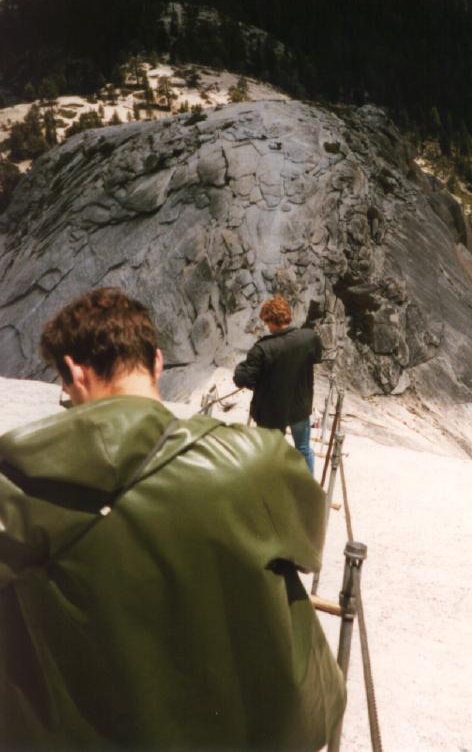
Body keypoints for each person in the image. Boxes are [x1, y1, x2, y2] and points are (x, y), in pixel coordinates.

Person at [0, 287, 345, 751]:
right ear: (158, 363)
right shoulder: (256, 462)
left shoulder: (16, 484)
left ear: (74, 373)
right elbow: (309, 551)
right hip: (251, 732)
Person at [233, 296, 322, 474]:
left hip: (272, 412)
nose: (267, 326)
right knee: (303, 449)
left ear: (271, 320)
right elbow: (316, 357)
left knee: (269, 452)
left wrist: (241, 367)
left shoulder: (263, 348)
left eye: (266, 322)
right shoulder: (309, 337)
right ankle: (308, 488)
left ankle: (271, 487)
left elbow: (244, 379)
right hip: (299, 406)